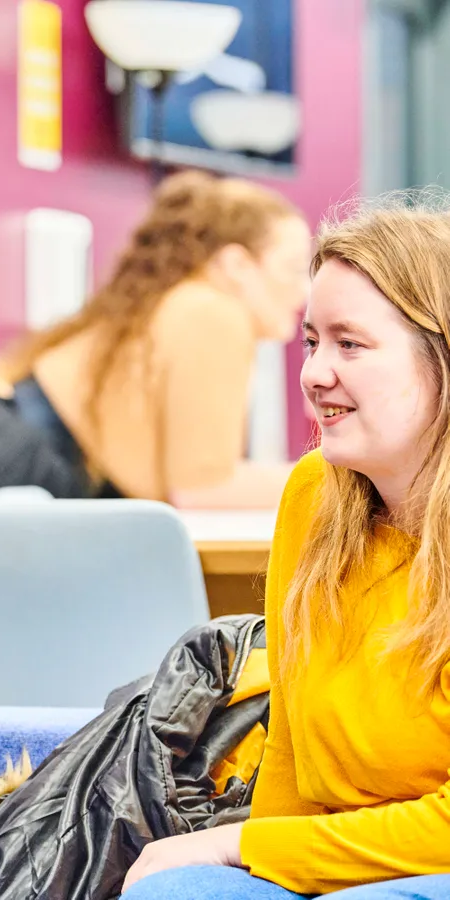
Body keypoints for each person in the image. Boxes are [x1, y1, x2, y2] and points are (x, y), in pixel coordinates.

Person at [121, 195, 450, 898]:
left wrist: (244, 842)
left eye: (350, 343)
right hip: (334, 850)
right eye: (311, 342)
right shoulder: (315, 495)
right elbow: (291, 755)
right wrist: (252, 865)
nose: (314, 373)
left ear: (441, 356)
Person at [0, 170, 312, 507]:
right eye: (293, 270)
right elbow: (203, 490)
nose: (306, 291)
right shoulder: (213, 312)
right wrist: (344, 480)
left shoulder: (172, 306)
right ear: (235, 265)